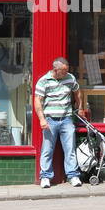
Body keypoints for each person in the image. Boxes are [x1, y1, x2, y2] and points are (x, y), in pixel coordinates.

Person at [34, 57, 84, 189]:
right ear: (56, 70)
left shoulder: (70, 78)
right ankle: (45, 177)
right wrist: (42, 119)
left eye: (67, 70)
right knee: (47, 149)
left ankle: (73, 175)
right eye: (64, 70)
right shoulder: (44, 81)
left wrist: (80, 108)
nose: (66, 73)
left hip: (67, 119)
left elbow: (77, 92)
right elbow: (37, 100)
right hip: (50, 119)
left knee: (70, 149)